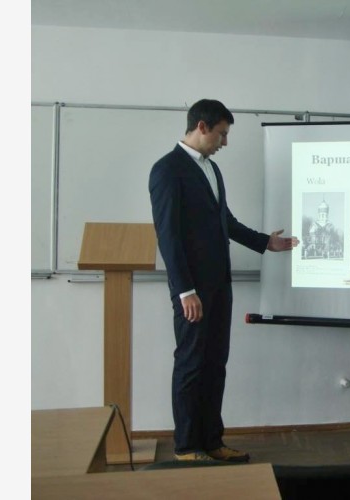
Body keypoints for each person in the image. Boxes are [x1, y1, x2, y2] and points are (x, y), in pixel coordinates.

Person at [149, 99, 298, 462]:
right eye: (221, 134)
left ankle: (212, 441)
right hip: (193, 292)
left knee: (216, 364)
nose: (225, 143)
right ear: (201, 127)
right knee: (191, 364)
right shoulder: (167, 170)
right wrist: (185, 290)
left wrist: (265, 242)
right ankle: (187, 447)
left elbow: (225, 222)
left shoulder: (212, 169)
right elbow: (168, 236)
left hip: (220, 286)